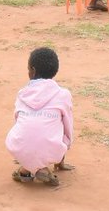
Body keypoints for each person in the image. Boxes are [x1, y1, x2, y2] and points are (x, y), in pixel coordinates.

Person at [6, 47, 74, 186]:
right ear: (55, 71)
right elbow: (68, 127)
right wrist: (63, 152)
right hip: (52, 149)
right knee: (56, 126)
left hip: (18, 146)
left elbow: (19, 121)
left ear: (33, 70)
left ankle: (26, 170)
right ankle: (40, 169)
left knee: (28, 134)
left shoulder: (22, 93)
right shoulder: (63, 95)